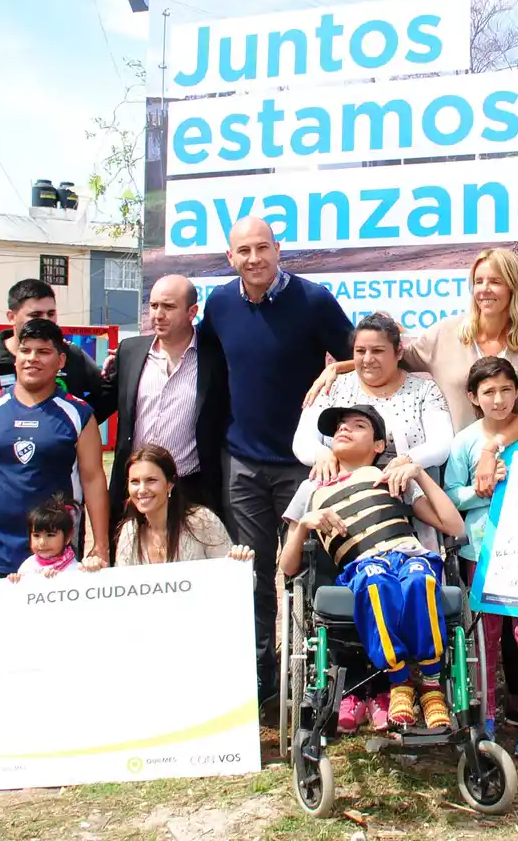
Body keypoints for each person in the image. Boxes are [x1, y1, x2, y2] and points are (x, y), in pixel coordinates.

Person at [306, 247, 518, 723]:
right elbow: (385, 355)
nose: (485, 290)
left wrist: (493, 445)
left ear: (514, 289)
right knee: (473, 601)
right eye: (479, 279)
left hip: (507, 467)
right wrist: (338, 368)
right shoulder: (446, 334)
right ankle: (429, 687)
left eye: (496, 281)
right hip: (450, 473)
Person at [0, 318, 111, 761]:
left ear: (60, 360)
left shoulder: (77, 413)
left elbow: (93, 480)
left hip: (56, 557)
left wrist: (100, 546)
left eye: (43, 352)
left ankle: (52, 726)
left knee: (53, 642)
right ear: (15, 355)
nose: (32, 359)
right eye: (26, 351)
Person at [200, 216, 353, 703]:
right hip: (242, 465)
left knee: (310, 573)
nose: (253, 258)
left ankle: (318, 682)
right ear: (230, 258)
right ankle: (262, 685)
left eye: (261, 248)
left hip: (303, 467)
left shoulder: (313, 300)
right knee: (253, 574)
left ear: (278, 249)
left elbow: (359, 355)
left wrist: (336, 372)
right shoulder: (220, 304)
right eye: (243, 251)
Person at [279, 404, 465, 730]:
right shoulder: (312, 489)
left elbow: (454, 527)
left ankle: (432, 685)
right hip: (362, 565)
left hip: (408, 554)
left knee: (420, 583)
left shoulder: (389, 478)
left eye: (358, 425)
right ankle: (401, 682)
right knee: (377, 585)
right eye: (338, 426)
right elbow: (288, 566)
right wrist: (305, 525)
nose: (344, 429)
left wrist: (417, 471)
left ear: (379, 445)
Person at [444, 356, 518, 757]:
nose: (500, 399)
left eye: (507, 390)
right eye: (489, 392)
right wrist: (479, 491)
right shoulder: (465, 441)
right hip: (480, 552)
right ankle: (486, 715)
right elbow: (451, 496)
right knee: (484, 639)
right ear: (473, 397)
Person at [97, 276, 228, 534]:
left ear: (192, 312)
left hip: (190, 489)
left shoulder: (216, 358)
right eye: (154, 306)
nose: (158, 314)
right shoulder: (130, 352)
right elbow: (99, 405)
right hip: (134, 489)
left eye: (168, 307)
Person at [294, 312, 454, 523]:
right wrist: (321, 454)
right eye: (360, 351)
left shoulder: (425, 390)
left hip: (410, 505)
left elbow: (442, 444)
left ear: (398, 352)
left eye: (378, 351)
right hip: (337, 508)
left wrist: (408, 461)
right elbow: (301, 441)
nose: (368, 359)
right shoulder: (331, 386)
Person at [0, 278, 109, 464]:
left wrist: (71, 425)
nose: (46, 321)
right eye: (36, 315)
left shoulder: (71, 355)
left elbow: (107, 393)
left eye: (51, 313)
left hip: (61, 476)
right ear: (12, 317)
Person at [113, 445, 253, 565]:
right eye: (135, 482)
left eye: (151, 480)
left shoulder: (202, 521)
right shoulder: (130, 531)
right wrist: (95, 572)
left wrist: (239, 561)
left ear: (169, 485)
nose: (142, 490)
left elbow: (236, 582)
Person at [8, 498, 103, 581]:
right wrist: (16, 582)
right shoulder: (27, 566)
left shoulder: (77, 569)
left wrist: (94, 569)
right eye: (36, 535)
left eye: (50, 535)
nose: (42, 543)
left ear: (68, 537)